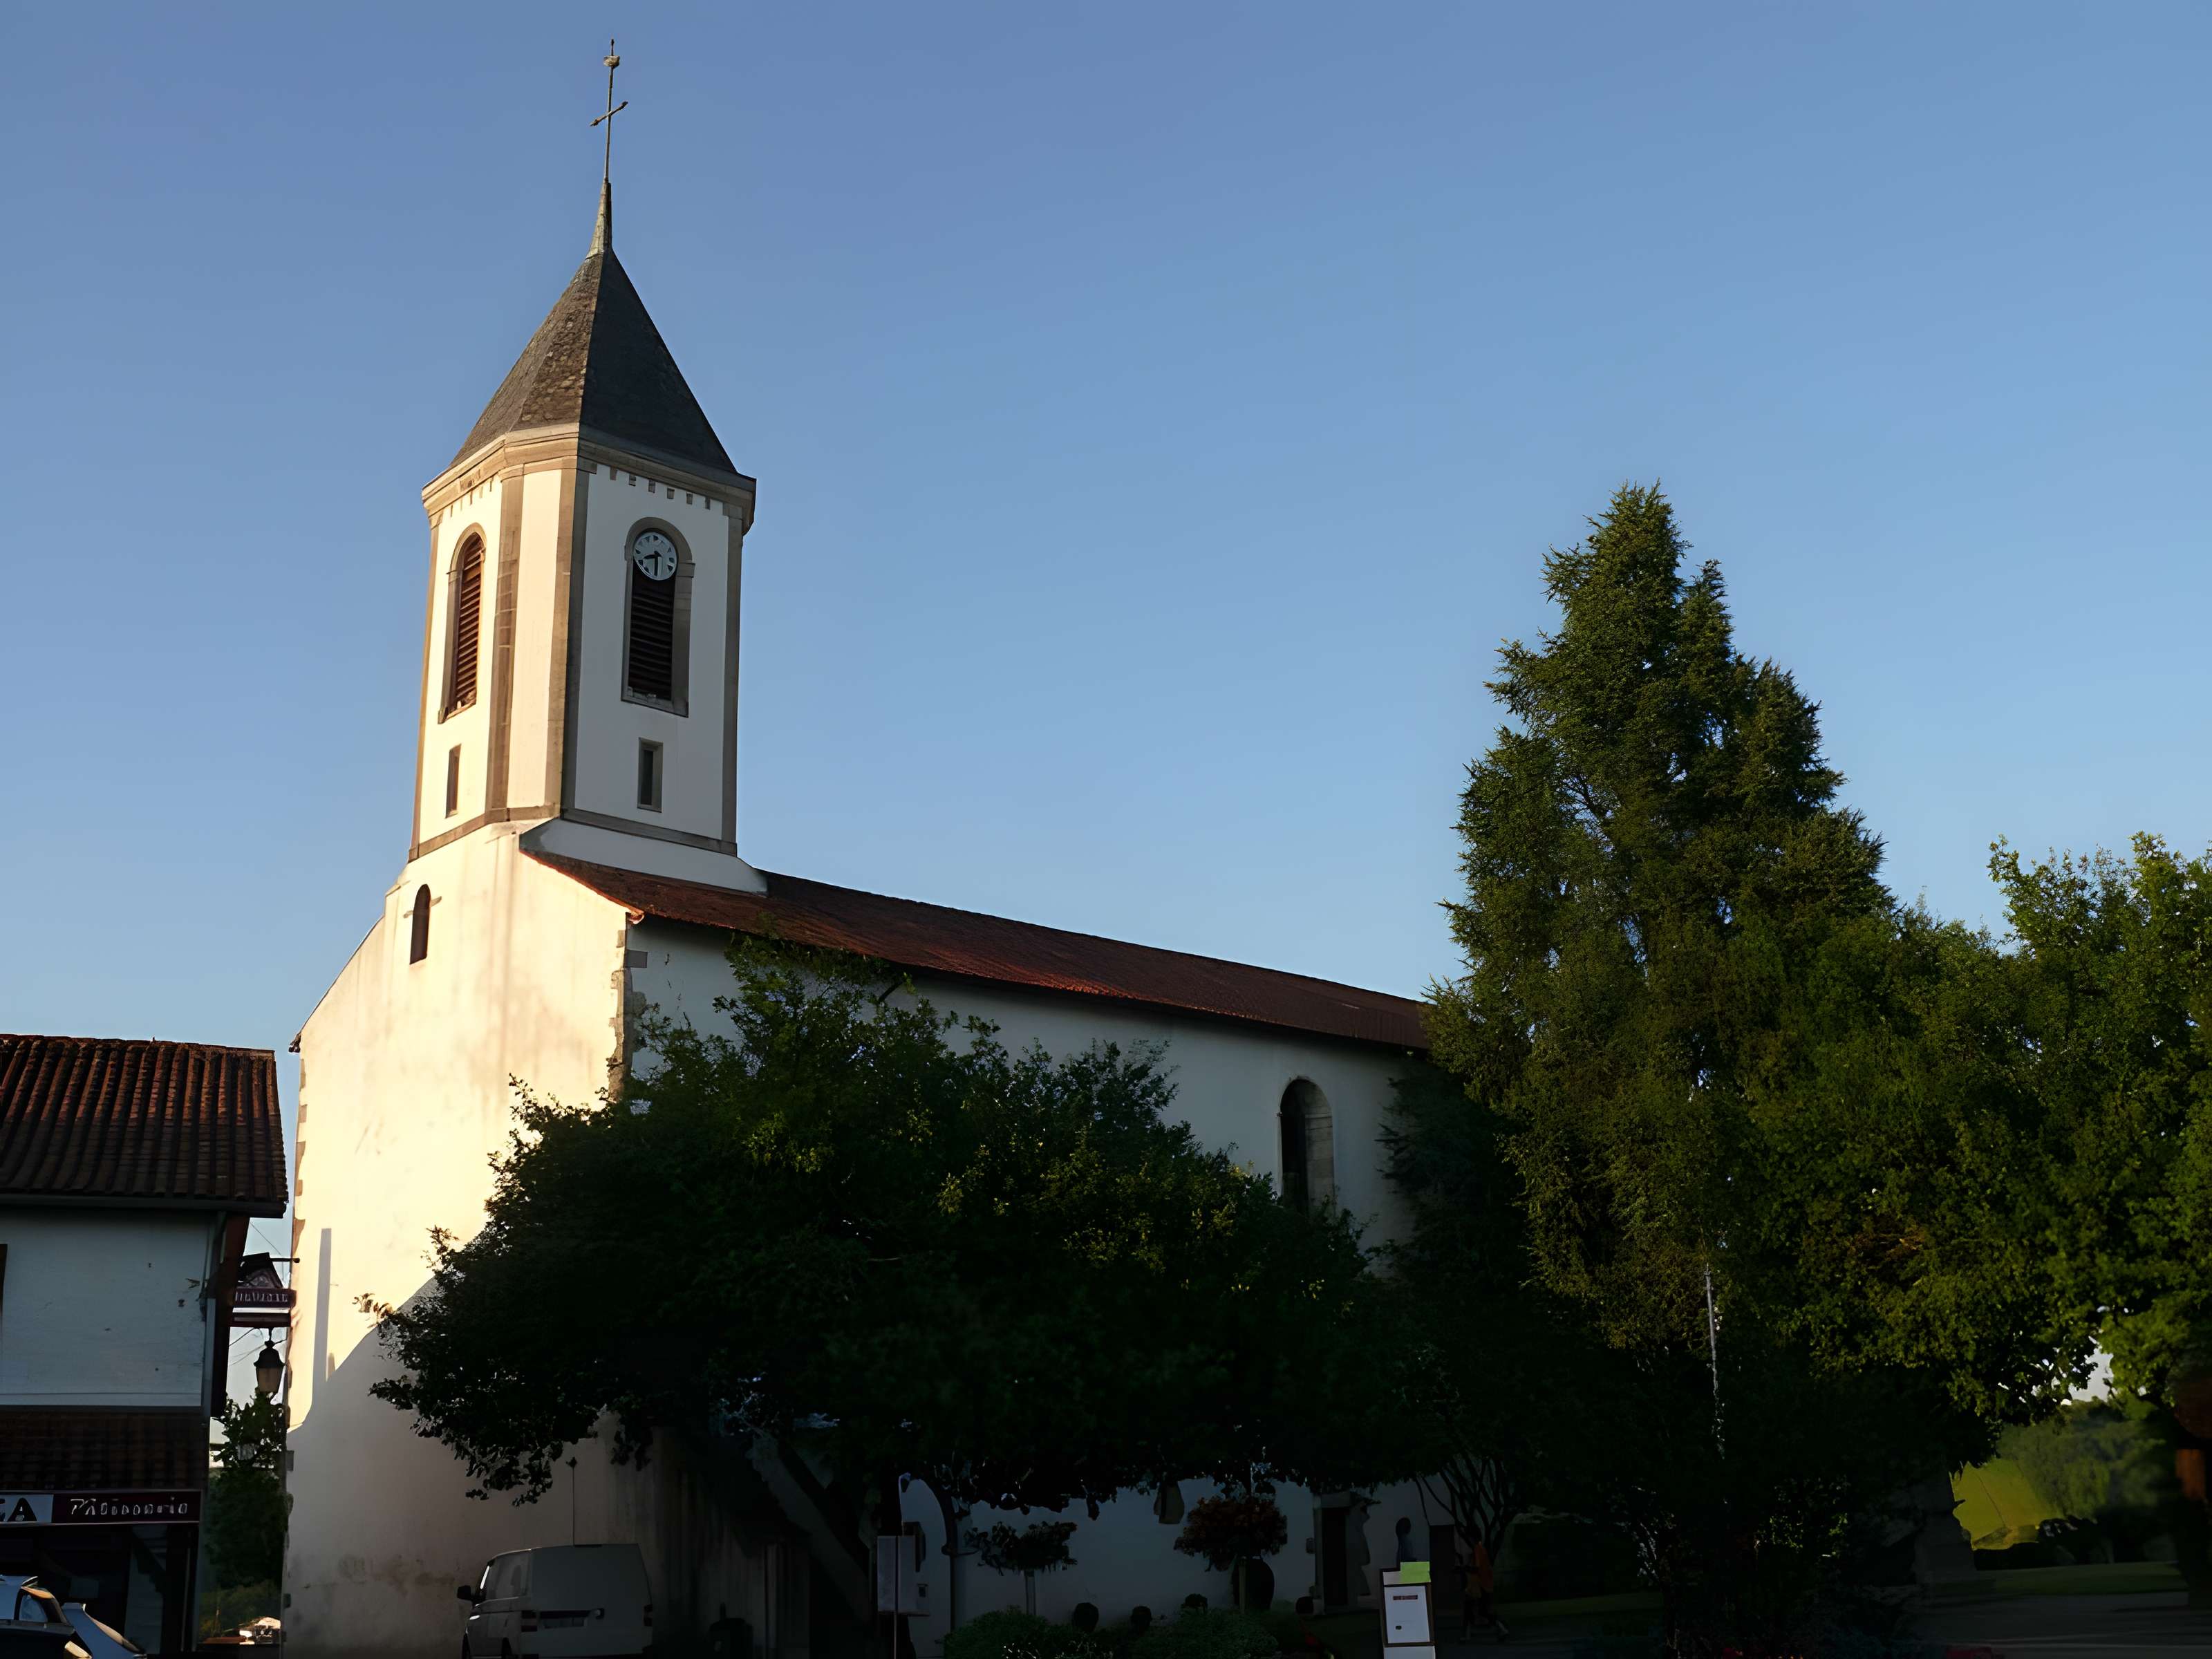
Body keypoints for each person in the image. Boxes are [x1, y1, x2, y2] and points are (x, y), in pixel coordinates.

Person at [1459, 1539, 1508, 1644]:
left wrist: (1464, 1568)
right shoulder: (1480, 1549)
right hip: (1480, 1586)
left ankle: (1502, 1628)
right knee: (1479, 1610)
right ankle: (1501, 1629)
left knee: (1478, 1610)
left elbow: (1477, 1569)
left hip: (1480, 1586)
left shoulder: (1478, 1549)